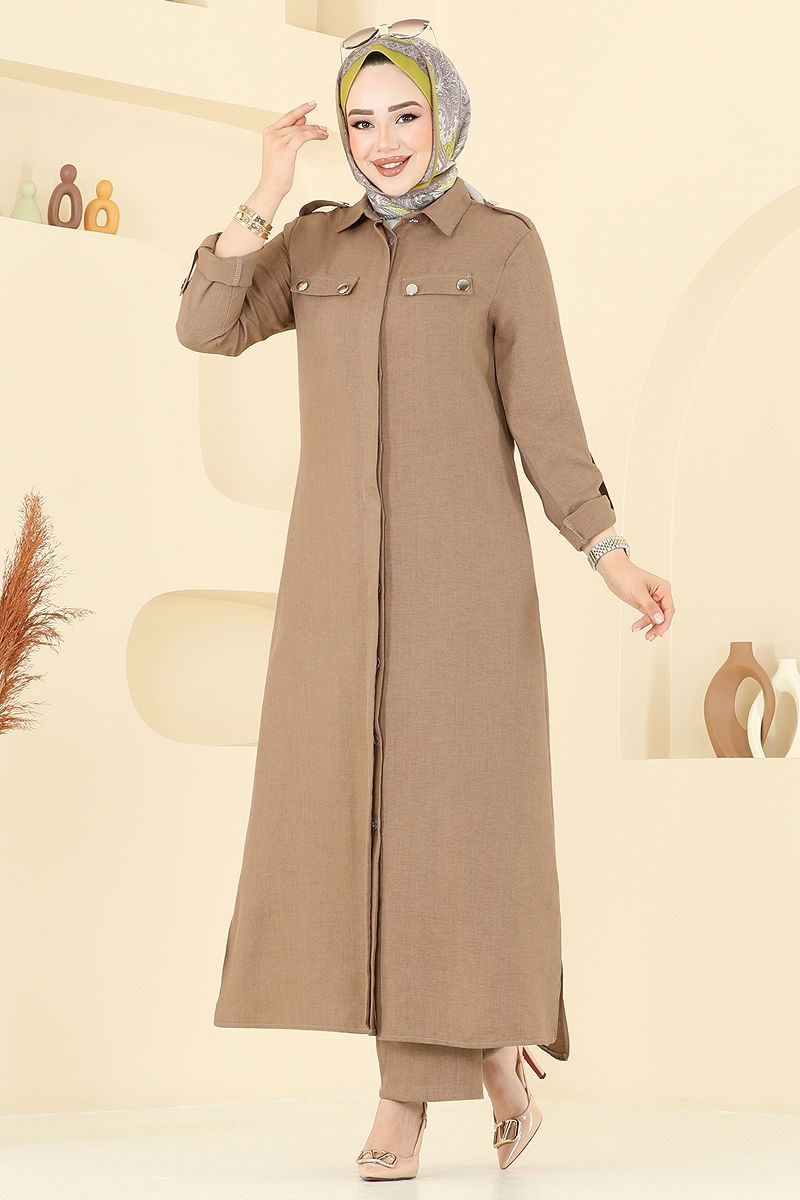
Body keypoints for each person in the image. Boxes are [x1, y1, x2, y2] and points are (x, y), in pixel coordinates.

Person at [176, 22, 675, 1181]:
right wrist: (266, 186)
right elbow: (205, 324)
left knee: (447, 836)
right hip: (333, 598)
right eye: (360, 121)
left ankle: (402, 1103)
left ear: (443, 115)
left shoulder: (501, 247)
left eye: (404, 115)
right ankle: (494, 1059)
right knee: (358, 832)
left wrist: (609, 553)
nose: (384, 141)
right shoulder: (311, 243)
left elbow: (546, 426)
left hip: (464, 598)